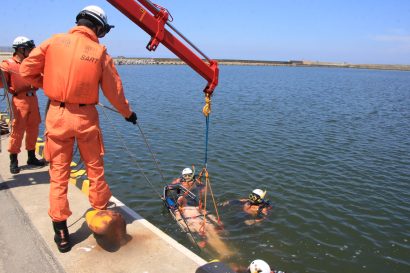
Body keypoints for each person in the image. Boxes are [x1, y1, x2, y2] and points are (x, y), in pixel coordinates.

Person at [20, 5, 137, 253]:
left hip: (57, 115)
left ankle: (61, 233)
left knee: (58, 174)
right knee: (95, 168)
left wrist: (47, 84)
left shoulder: (53, 42)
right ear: (97, 27)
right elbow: (114, 92)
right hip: (85, 117)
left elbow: (26, 69)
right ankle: (102, 218)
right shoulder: (99, 52)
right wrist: (128, 114)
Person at [0, 36, 45, 174]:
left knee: (33, 129)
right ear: (21, 49)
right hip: (19, 100)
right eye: (29, 49)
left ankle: (31, 157)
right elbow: (2, 83)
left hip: (33, 99)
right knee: (18, 131)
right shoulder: (7, 65)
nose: (31, 51)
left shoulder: (30, 64)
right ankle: (14, 160)